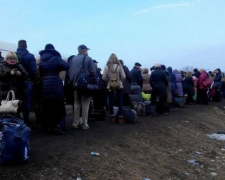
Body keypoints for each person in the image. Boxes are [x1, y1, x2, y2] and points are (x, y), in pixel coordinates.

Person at [39, 44, 69, 134]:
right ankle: (58, 127)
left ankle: (48, 127)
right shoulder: (56, 58)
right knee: (58, 107)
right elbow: (67, 66)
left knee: (47, 107)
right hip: (55, 85)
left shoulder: (41, 59)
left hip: (44, 84)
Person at [69, 44, 97, 130]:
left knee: (76, 104)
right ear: (84, 50)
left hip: (75, 85)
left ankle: (75, 123)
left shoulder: (72, 59)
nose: (87, 52)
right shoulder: (88, 59)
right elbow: (93, 72)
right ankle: (85, 124)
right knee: (85, 104)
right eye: (86, 50)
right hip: (85, 85)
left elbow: (70, 72)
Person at [16, 40, 37, 126]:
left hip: (15, 82)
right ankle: (26, 120)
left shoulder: (13, 55)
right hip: (27, 82)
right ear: (26, 46)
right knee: (26, 102)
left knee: (15, 101)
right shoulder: (30, 56)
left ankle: (16, 119)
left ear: (18, 45)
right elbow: (33, 71)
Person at [102, 54, 126, 123]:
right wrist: (120, 81)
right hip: (119, 85)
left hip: (110, 85)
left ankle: (112, 116)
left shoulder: (107, 66)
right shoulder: (119, 66)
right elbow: (124, 76)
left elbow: (103, 77)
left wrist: (109, 81)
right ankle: (121, 117)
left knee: (111, 100)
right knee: (120, 100)